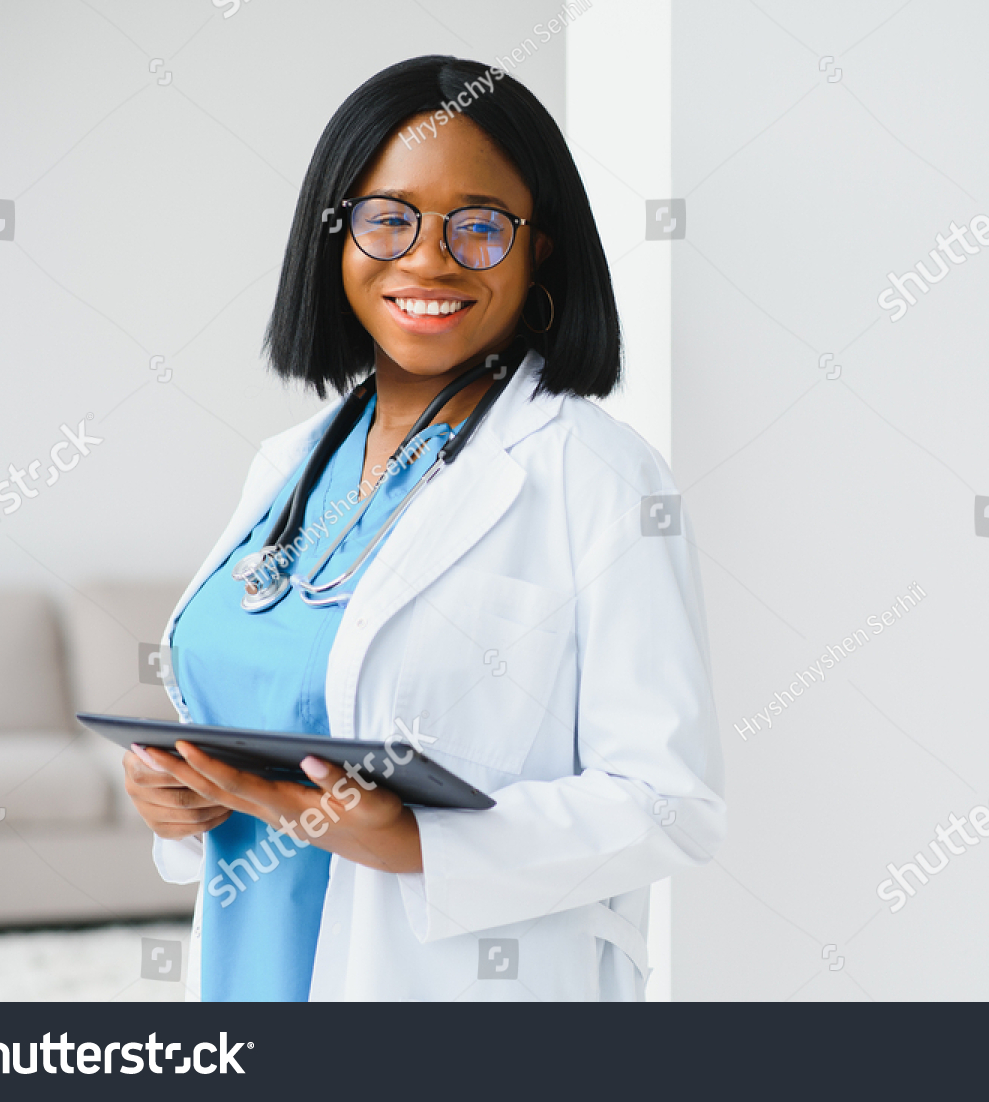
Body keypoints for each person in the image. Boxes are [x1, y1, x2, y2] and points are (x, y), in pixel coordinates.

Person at [120, 55, 724, 1001]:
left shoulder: (595, 474)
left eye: (480, 226)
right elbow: (250, 728)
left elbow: (671, 803)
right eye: (388, 218)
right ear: (336, 236)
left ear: (543, 249)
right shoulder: (288, 464)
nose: (429, 258)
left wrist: (419, 842)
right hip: (249, 976)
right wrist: (182, 798)